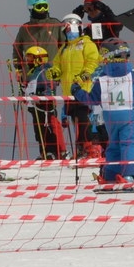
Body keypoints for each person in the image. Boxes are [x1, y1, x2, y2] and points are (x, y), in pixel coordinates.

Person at [78, 41, 134, 183]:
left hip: (110, 117)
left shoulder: (102, 78)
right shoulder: (133, 76)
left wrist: (77, 91)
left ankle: (110, 174)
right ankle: (131, 175)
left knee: (114, 145)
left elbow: (92, 99)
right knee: (128, 144)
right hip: (127, 115)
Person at [49, 13, 102, 160]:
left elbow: (93, 62)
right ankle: (80, 149)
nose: (68, 33)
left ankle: (92, 148)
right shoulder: (64, 49)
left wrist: (84, 76)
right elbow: (58, 66)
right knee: (76, 121)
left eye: (70, 29)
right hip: (68, 91)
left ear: (78, 27)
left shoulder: (87, 44)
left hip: (84, 89)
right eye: (66, 31)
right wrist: (54, 73)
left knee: (84, 119)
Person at [22, 46, 66, 160]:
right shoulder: (34, 73)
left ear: (39, 59)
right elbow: (33, 89)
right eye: (27, 58)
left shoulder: (45, 71)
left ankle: (52, 152)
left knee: (47, 130)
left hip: (44, 107)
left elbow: (48, 87)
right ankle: (44, 152)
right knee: (39, 132)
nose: (28, 62)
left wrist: (42, 97)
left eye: (31, 58)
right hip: (35, 108)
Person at [12, 0, 63, 79]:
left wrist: (60, 66)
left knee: (48, 91)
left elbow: (64, 46)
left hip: (50, 72)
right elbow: (17, 48)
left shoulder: (55, 24)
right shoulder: (25, 29)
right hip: (30, 73)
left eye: (45, 6)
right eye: (39, 7)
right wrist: (19, 68)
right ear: (31, 8)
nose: (42, 10)